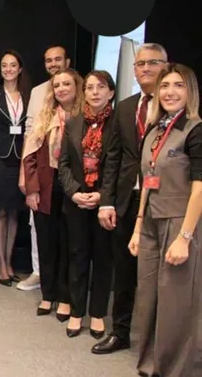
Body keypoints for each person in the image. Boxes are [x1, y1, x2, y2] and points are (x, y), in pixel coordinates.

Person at [129, 63, 202, 377]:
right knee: (148, 298)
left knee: (176, 302)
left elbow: (200, 188)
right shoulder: (155, 129)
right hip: (150, 222)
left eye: (178, 85)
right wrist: (137, 226)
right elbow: (147, 180)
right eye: (165, 86)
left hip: (180, 222)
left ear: (190, 91)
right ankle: (150, 366)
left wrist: (184, 238)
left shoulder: (195, 130)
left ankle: (175, 370)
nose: (170, 92)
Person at [93, 43, 166, 355]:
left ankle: (160, 339)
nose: (145, 69)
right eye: (140, 64)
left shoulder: (174, 104)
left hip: (163, 201)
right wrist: (107, 201)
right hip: (126, 200)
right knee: (123, 271)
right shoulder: (125, 107)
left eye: (152, 63)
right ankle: (121, 332)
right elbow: (113, 157)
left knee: (160, 275)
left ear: (166, 66)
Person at [22, 68, 83, 322]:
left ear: (76, 87)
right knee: (46, 242)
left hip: (74, 188)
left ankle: (65, 298)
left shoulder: (84, 117)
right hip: (46, 187)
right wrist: (32, 189)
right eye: (57, 85)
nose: (61, 89)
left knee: (69, 244)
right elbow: (29, 157)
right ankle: (47, 294)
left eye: (66, 84)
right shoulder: (45, 117)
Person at [57, 70, 116, 338]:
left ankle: (98, 313)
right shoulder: (73, 123)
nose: (94, 92)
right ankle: (77, 311)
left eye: (100, 87)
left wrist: (103, 195)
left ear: (110, 92)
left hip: (105, 203)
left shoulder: (118, 124)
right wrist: (74, 192)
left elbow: (118, 166)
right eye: (90, 87)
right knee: (77, 255)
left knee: (102, 258)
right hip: (77, 201)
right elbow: (64, 164)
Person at [18, 45, 73, 291]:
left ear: (67, 61)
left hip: (71, 171)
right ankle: (39, 272)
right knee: (37, 223)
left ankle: (65, 280)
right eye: (48, 60)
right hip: (42, 170)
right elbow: (29, 132)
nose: (53, 64)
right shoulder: (38, 91)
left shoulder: (79, 87)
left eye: (57, 59)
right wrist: (24, 174)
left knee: (68, 228)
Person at [0, 50, 30, 285]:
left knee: (15, 212)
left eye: (13, 65)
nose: (8, 69)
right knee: (1, 211)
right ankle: (1, 263)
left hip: (21, 159)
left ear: (19, 68)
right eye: (4, 65)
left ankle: (10, 260)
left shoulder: (29, 96)